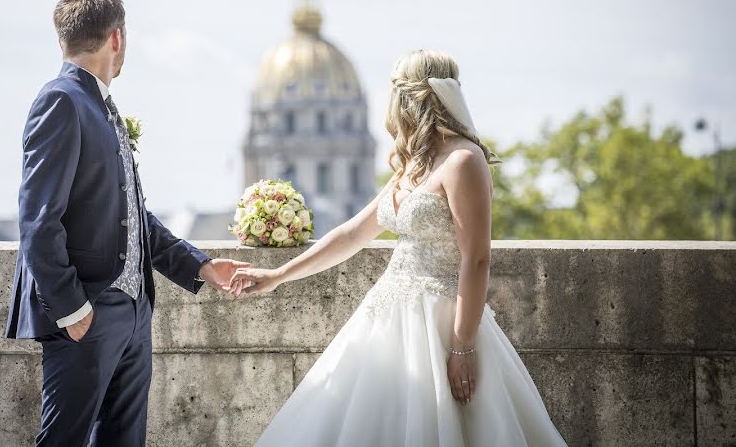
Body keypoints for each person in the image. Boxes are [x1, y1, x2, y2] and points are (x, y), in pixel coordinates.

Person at [228, 49, 568, 446]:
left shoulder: (463, 160)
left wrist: (461, 347)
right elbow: (353, 234)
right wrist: (277, 276)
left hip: (442, 322)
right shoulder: (415, 163)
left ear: (414, 97)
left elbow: (476, 260)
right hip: (387, 316)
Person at [3, 0, 250, 447]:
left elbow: (132, 218)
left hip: (134, 314)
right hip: (88, 312)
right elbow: (37, 221)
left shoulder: (101, 105)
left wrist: (199, 265)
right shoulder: (61, 101)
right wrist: (72, 309)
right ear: (117, 38)